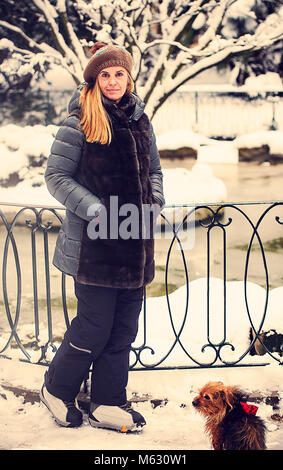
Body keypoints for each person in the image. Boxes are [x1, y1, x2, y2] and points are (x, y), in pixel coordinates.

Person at [40, 42, 165, 432]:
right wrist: (96, 209)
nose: (113, 81)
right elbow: (56, 178)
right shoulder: (79, 120)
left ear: (129, 77)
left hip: (134, 244)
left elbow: (155, 172)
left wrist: (155, 201)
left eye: (119, 74)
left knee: (124, 329)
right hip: (94, 247)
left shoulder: (141, 119)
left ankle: (108, 401)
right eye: (105, 75)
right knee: (94, 326)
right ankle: (57, 389)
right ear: (95, 80)